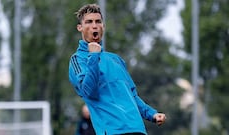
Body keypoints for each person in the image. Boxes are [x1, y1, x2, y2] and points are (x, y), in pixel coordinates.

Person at [69, 3, 166, 135]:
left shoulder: (116, 60)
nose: (94, 25)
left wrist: (152, 114)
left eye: (98, 21)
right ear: (80, 27)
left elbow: (132, 96)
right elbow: (89, 92)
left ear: (103, 26)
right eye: (89, 22)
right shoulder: (78, 60)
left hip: (136, 129)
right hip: (112, 131)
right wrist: (93, 57)